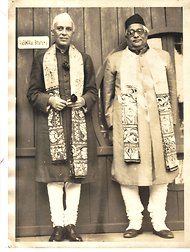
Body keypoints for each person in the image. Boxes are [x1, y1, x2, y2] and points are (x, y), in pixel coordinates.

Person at [103, 13, 179, 239]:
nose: (135, 36)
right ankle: (134, 221)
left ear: (146, 34)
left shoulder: (163, 57)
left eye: (139, 32)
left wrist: (171, 122)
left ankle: (159, 222)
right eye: (131, 33)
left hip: (158, 127)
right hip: (127, 129)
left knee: (161, 174)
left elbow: (173, 92)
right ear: (126, 36)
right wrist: (112, 123)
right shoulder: (115, 60)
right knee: (128, 175)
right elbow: (106, 97)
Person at [27, 12, 98, 242]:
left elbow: (92, 91)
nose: (64, 33)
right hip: (52, 127)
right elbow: (32, 93)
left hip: (77, 126)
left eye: (68, 29)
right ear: (53, 32)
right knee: (55, 177)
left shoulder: (84, 59)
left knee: (75, 177)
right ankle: (57, 224)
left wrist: (83, 100)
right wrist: (49, 100)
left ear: (73, 32)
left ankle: (71, 225)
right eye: (60, 28)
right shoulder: (41, 59)